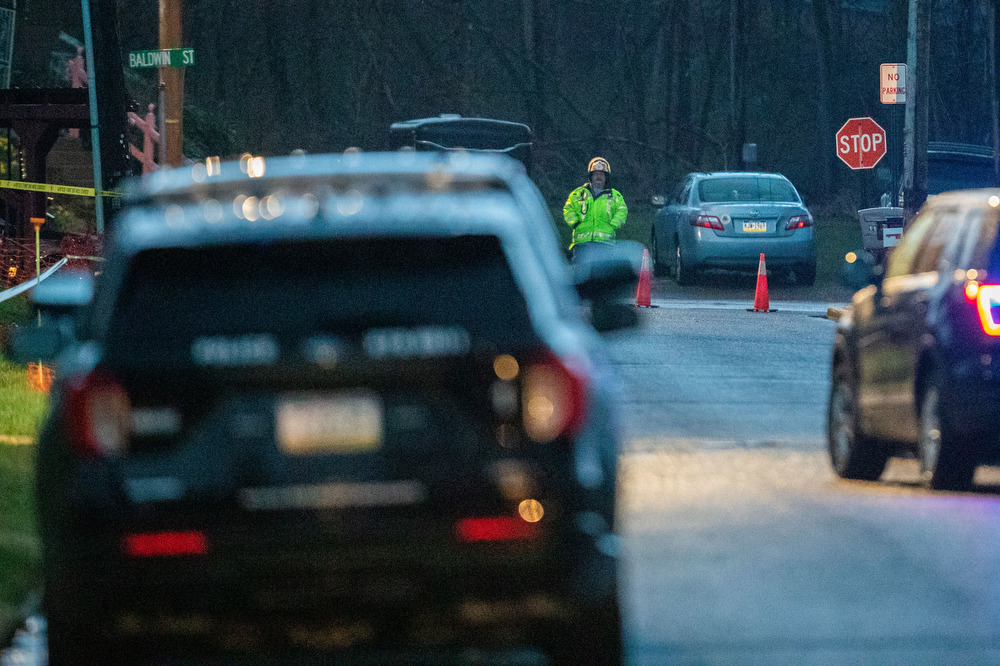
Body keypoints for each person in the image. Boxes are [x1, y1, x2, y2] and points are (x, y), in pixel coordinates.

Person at [563, 157, 628, 261]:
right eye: (596, 174)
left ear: (606, 177)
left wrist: (613, 225)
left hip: (605, 244)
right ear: (591, 176)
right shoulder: (578, 193)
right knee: (581, 270)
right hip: (582, 244)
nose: (598, 177)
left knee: (603, 270)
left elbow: (622, 210)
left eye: (601, 174)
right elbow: (568, 208)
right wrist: (575, 223)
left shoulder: (615, 195)